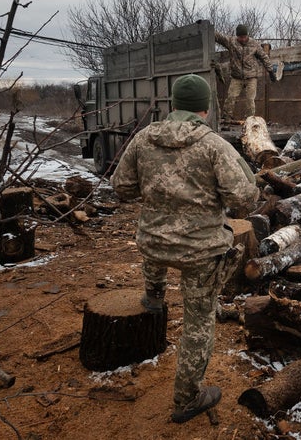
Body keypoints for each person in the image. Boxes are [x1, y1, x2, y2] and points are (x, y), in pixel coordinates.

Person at [110, 73, 259, 423]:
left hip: (153, 243)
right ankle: (188, 397)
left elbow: (121, 187)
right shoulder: (214, 145)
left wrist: (156, 196)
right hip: (200, 252)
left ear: (173, 105)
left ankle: (154, 295)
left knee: (157, 238)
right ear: (205, 109)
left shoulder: (144, 139)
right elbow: (243, 197)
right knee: (199, 321)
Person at [214, 24, 277, 124]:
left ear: (247, 35)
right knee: (231, 97)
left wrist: (270, 71)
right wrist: (205, 26)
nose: (243, 39)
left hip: (251, 76)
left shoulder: (254, 44)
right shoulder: (231, 41)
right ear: (237, 36)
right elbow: (218, 37)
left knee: (250, 100)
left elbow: (263, 57)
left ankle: (249, 121)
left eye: (244, 37)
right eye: (240, 37)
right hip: (236, 76)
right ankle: (226, 119)